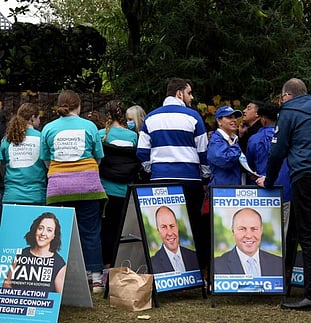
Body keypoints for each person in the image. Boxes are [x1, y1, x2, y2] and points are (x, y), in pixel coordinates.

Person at [257, 78, 311, 311]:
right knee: (306, 231)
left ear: (287, 96)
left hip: (305, 175)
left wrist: (269, 180)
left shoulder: (288, 112)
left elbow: (277, 151)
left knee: (307, 235)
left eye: (282, 98)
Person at [136, 78, 210, 275]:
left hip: (160, 179)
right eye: (189, 93)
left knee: (161, 226)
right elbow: (203, 152)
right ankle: (198, 272)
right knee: (194, 225)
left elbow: (142, 152)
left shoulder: (150, 118)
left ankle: (165, 272)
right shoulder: (193, 117)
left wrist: (154, 168)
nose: (191, 97)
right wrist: (204, 177)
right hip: (190, 180)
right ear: (179, 93)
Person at [40, 90, 107, 294]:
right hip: (88, 186)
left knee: (58, 234)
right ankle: (96, 278)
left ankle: (61, 281)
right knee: (91, 231)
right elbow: (98, 157)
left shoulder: (48, 128)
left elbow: (46, 160)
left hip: (58, 188)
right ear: (79, 106)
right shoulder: (90, 126)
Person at [98, 100, 139, 278]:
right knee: (123, 231)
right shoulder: (133, 137)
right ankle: (123, 264)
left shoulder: (101, 135)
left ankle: (106, 268)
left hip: (105, 190)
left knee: (106, 229)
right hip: (126, 191)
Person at [246, 102, 291, 227]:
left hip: (262, 191)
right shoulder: (288, 138)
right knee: (282, 231)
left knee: (260, 227)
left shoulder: (254, 139)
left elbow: (249, 166)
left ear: (263, 120)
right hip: (285, 190)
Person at [3, 212, 66, 293]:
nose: (43, 233)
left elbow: (59, 297)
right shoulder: (21, 254)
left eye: (49, 230)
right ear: (35, 229)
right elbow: (7, 283)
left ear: (54, 235)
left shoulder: (59, 264)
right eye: (40, 228)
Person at [0, 103, 47, 206]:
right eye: (38, 117)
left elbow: (2, 168)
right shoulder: (41, 138)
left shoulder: (6, 139)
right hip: (36, 196)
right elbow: (47, 165)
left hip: (11, 196)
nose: (39, 121)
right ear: (32, 118)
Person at [214, 207, 282, 276]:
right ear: (233, 231)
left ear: (261, 230)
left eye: (254, 229)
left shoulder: (279, 263)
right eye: (242, 229)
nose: (249, 236)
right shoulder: (217, 266)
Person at [150, 206, 200, 274]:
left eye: (172, 226)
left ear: (177, 226)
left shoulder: (194, 257)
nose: (170, 233)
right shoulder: (152, 264)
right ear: (158, 231)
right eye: (164, 227)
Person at [207, 105, 243, 186]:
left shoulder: (232, 139)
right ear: (219, 121)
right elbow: (225, 161)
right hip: (220, 190)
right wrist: (235, 147)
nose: (234, 120)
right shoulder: (216, 140)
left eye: (235, 117)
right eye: (229, 117)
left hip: (230, 189)